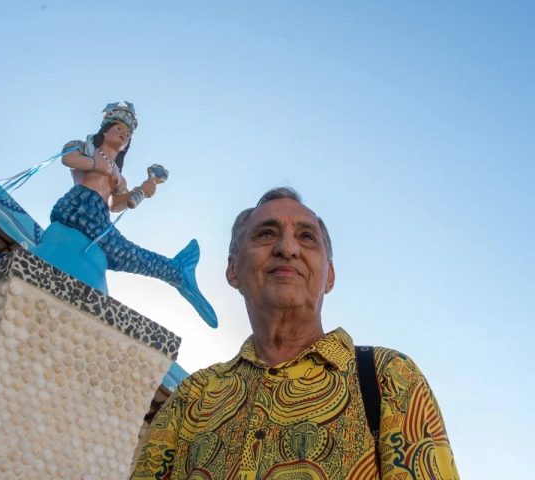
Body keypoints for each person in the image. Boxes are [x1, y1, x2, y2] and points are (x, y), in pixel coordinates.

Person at [131, 187, 458, 479]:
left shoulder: (390, 378)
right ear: (233, 270)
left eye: (306, 237)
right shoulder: (191, 398)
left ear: (329, 276)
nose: (287, 248)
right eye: (266, 234)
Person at [47, 102, 217, 327]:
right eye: (119, 129)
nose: (123, 135)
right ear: (105, 130)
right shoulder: (86, 146)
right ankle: (176, 271)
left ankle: (175, 271)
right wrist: (96, 165)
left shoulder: (119, 175)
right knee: (121, 250)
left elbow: (116, 205)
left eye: (127, 135)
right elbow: (67, 158)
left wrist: (141, 192)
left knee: (122, 251)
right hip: (79, 205)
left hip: (99, 216)